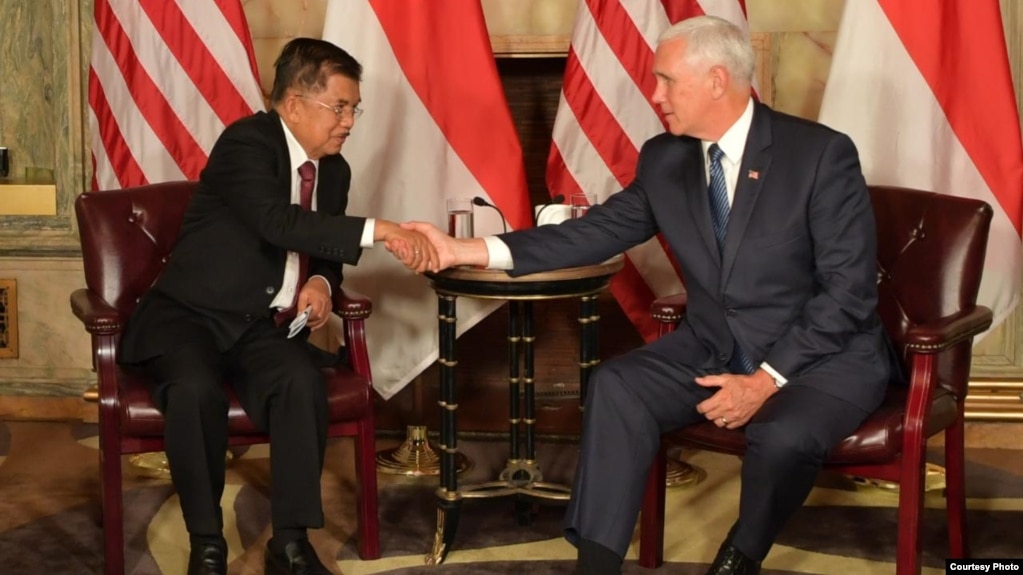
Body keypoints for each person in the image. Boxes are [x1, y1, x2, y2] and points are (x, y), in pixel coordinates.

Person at [403, 15, 899, 575]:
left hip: (820, 361)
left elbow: (848, 294)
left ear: (717, 80)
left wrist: (764, 381)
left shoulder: (819, 155)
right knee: (617, 385)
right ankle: (596, 563)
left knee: (782, 435)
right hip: (715, 347)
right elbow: (591, 233)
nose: (655, 95)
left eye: (667, 81)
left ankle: (742, 555)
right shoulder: (667, 158)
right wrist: (463, 251)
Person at [118, 38, 437, 575]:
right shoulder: (246, 142)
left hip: (261, 326)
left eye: (354, 108)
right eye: (339, 107)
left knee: (300, 383)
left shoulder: (333, 171)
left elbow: (324, 250)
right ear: (293, 104)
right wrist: (382, 229)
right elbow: (276, 222)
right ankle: (207, 544)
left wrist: (318, 281)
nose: (349, 121)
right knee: (193, 391)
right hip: (190, 315)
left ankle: (289, 541)